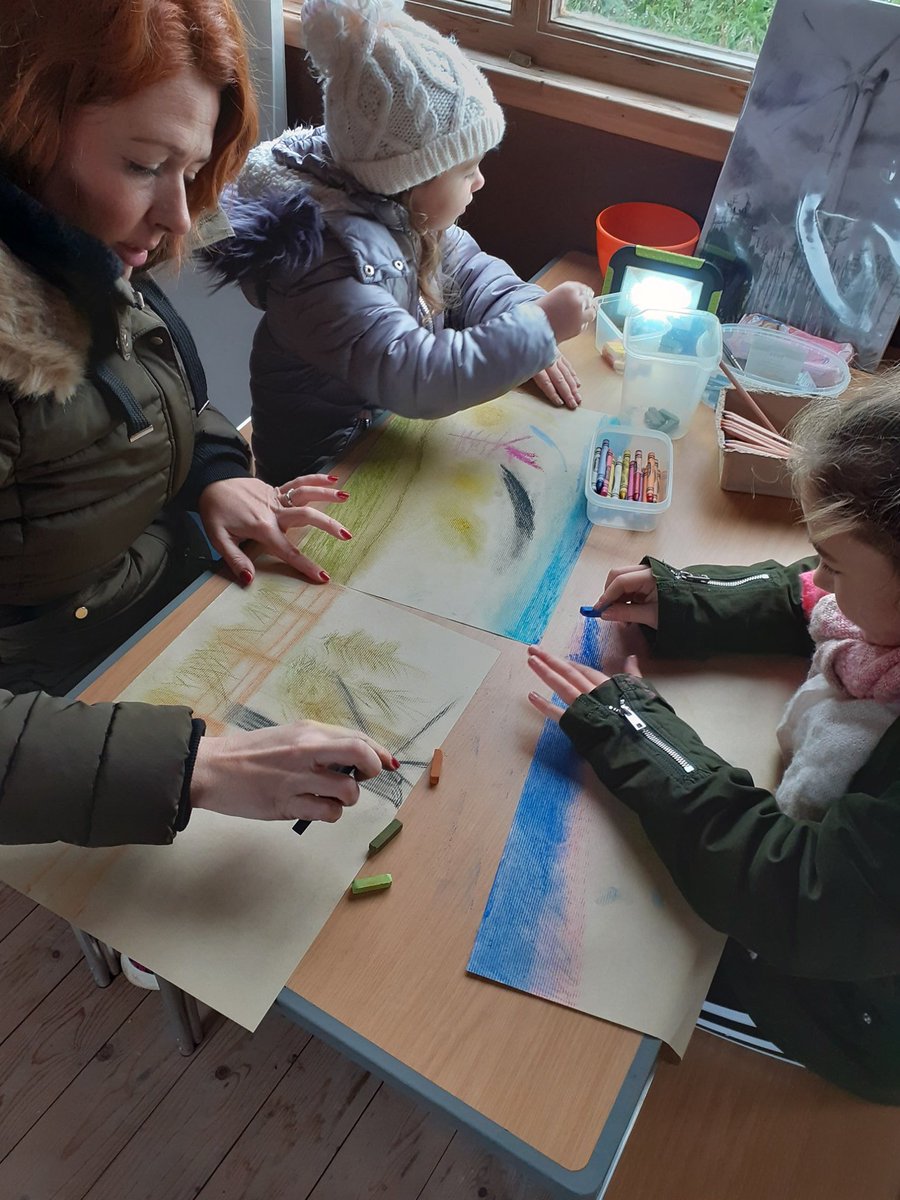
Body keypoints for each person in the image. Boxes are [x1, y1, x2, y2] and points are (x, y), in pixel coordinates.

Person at [0, 0, 396, 849]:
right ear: (22, 126)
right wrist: (198, 770)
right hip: (64, 714)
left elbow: (152, 399)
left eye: (190, 169)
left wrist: (214, 470)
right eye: (145, 164)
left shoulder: (70, 246)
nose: (180, 217)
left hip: (153, 616)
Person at [526, 379, 900, 1105]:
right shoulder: (876, 601)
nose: (817, 574)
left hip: (856, 1014)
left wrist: (638, 730)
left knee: (630, 978)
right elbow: (815, 594)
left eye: (836, 562)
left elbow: (799, 895)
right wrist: (693, 597)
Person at [204, 0, 597, 485]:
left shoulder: (408, 218)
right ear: (410, 179)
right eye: (466, 168)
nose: (479, 183)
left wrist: (524, 310)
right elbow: (416, 376)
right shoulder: (325, 267)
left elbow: (472, 275)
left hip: (385, 441)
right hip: (322, 476)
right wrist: (538, 329)